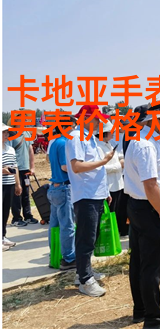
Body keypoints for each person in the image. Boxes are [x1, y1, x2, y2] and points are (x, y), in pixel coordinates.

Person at [123, 102, 160, 329]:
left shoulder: (145, 140)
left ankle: (140, 309)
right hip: (148, 209)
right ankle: (154, 318)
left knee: (139, 261)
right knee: (151, 266)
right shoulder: (146, 145)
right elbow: (150, 185)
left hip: (141, 206)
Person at [66, 105, 114, 297]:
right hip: (86, 195)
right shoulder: (76, 137)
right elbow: (77, 166)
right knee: (86, 238)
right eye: (96, 119)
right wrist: (104, 161)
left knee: (91, 237)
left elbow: (94, 169)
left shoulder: (89, 138)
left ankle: (83, 273)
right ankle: (85, 280)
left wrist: (105, 191)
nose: (99, 123)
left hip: (95, 193)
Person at [48, 115, 77, 269]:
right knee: (67, 225)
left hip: (54, 187)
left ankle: (54, 254)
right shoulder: (64, 143)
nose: (75, 129)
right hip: (64, 188)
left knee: (54, 225)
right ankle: (69, 258)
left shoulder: (55, 142)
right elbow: (65, 167)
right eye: (73, 126)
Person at [96, 121, 128, 236]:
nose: (114, 133)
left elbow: (116, 156)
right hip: (109, 185)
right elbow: (101, 167)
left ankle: (118, 231)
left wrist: (123, 158)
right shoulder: (98, 147)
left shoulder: (108, 144)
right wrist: (119, 165)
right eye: (111, 131)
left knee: (119, 210)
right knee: (110, 211)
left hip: (118, 183)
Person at [9, 125, 38, 227]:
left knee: (26, 193)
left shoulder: (26, 133)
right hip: (15, 169)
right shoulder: (11, 134)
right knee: (17, 193)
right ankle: (16, 218)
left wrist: (32, 167)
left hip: (25, 169)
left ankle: (28, 215)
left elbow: (30, 151)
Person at [2, 124, 21, 251]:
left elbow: (15, 167)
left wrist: (17, 184)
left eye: (7, 132)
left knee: (5, 211)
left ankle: (3, 236)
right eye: (3, 132)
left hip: (9, 184)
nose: (6, 134)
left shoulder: (10, 149)